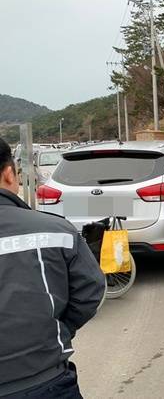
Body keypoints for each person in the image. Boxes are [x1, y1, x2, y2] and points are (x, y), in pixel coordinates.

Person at [0, 137, 105, 398]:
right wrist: (58, 329)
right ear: (9, 174)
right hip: (44, 379)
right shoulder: (55, 229)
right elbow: (90, 289)